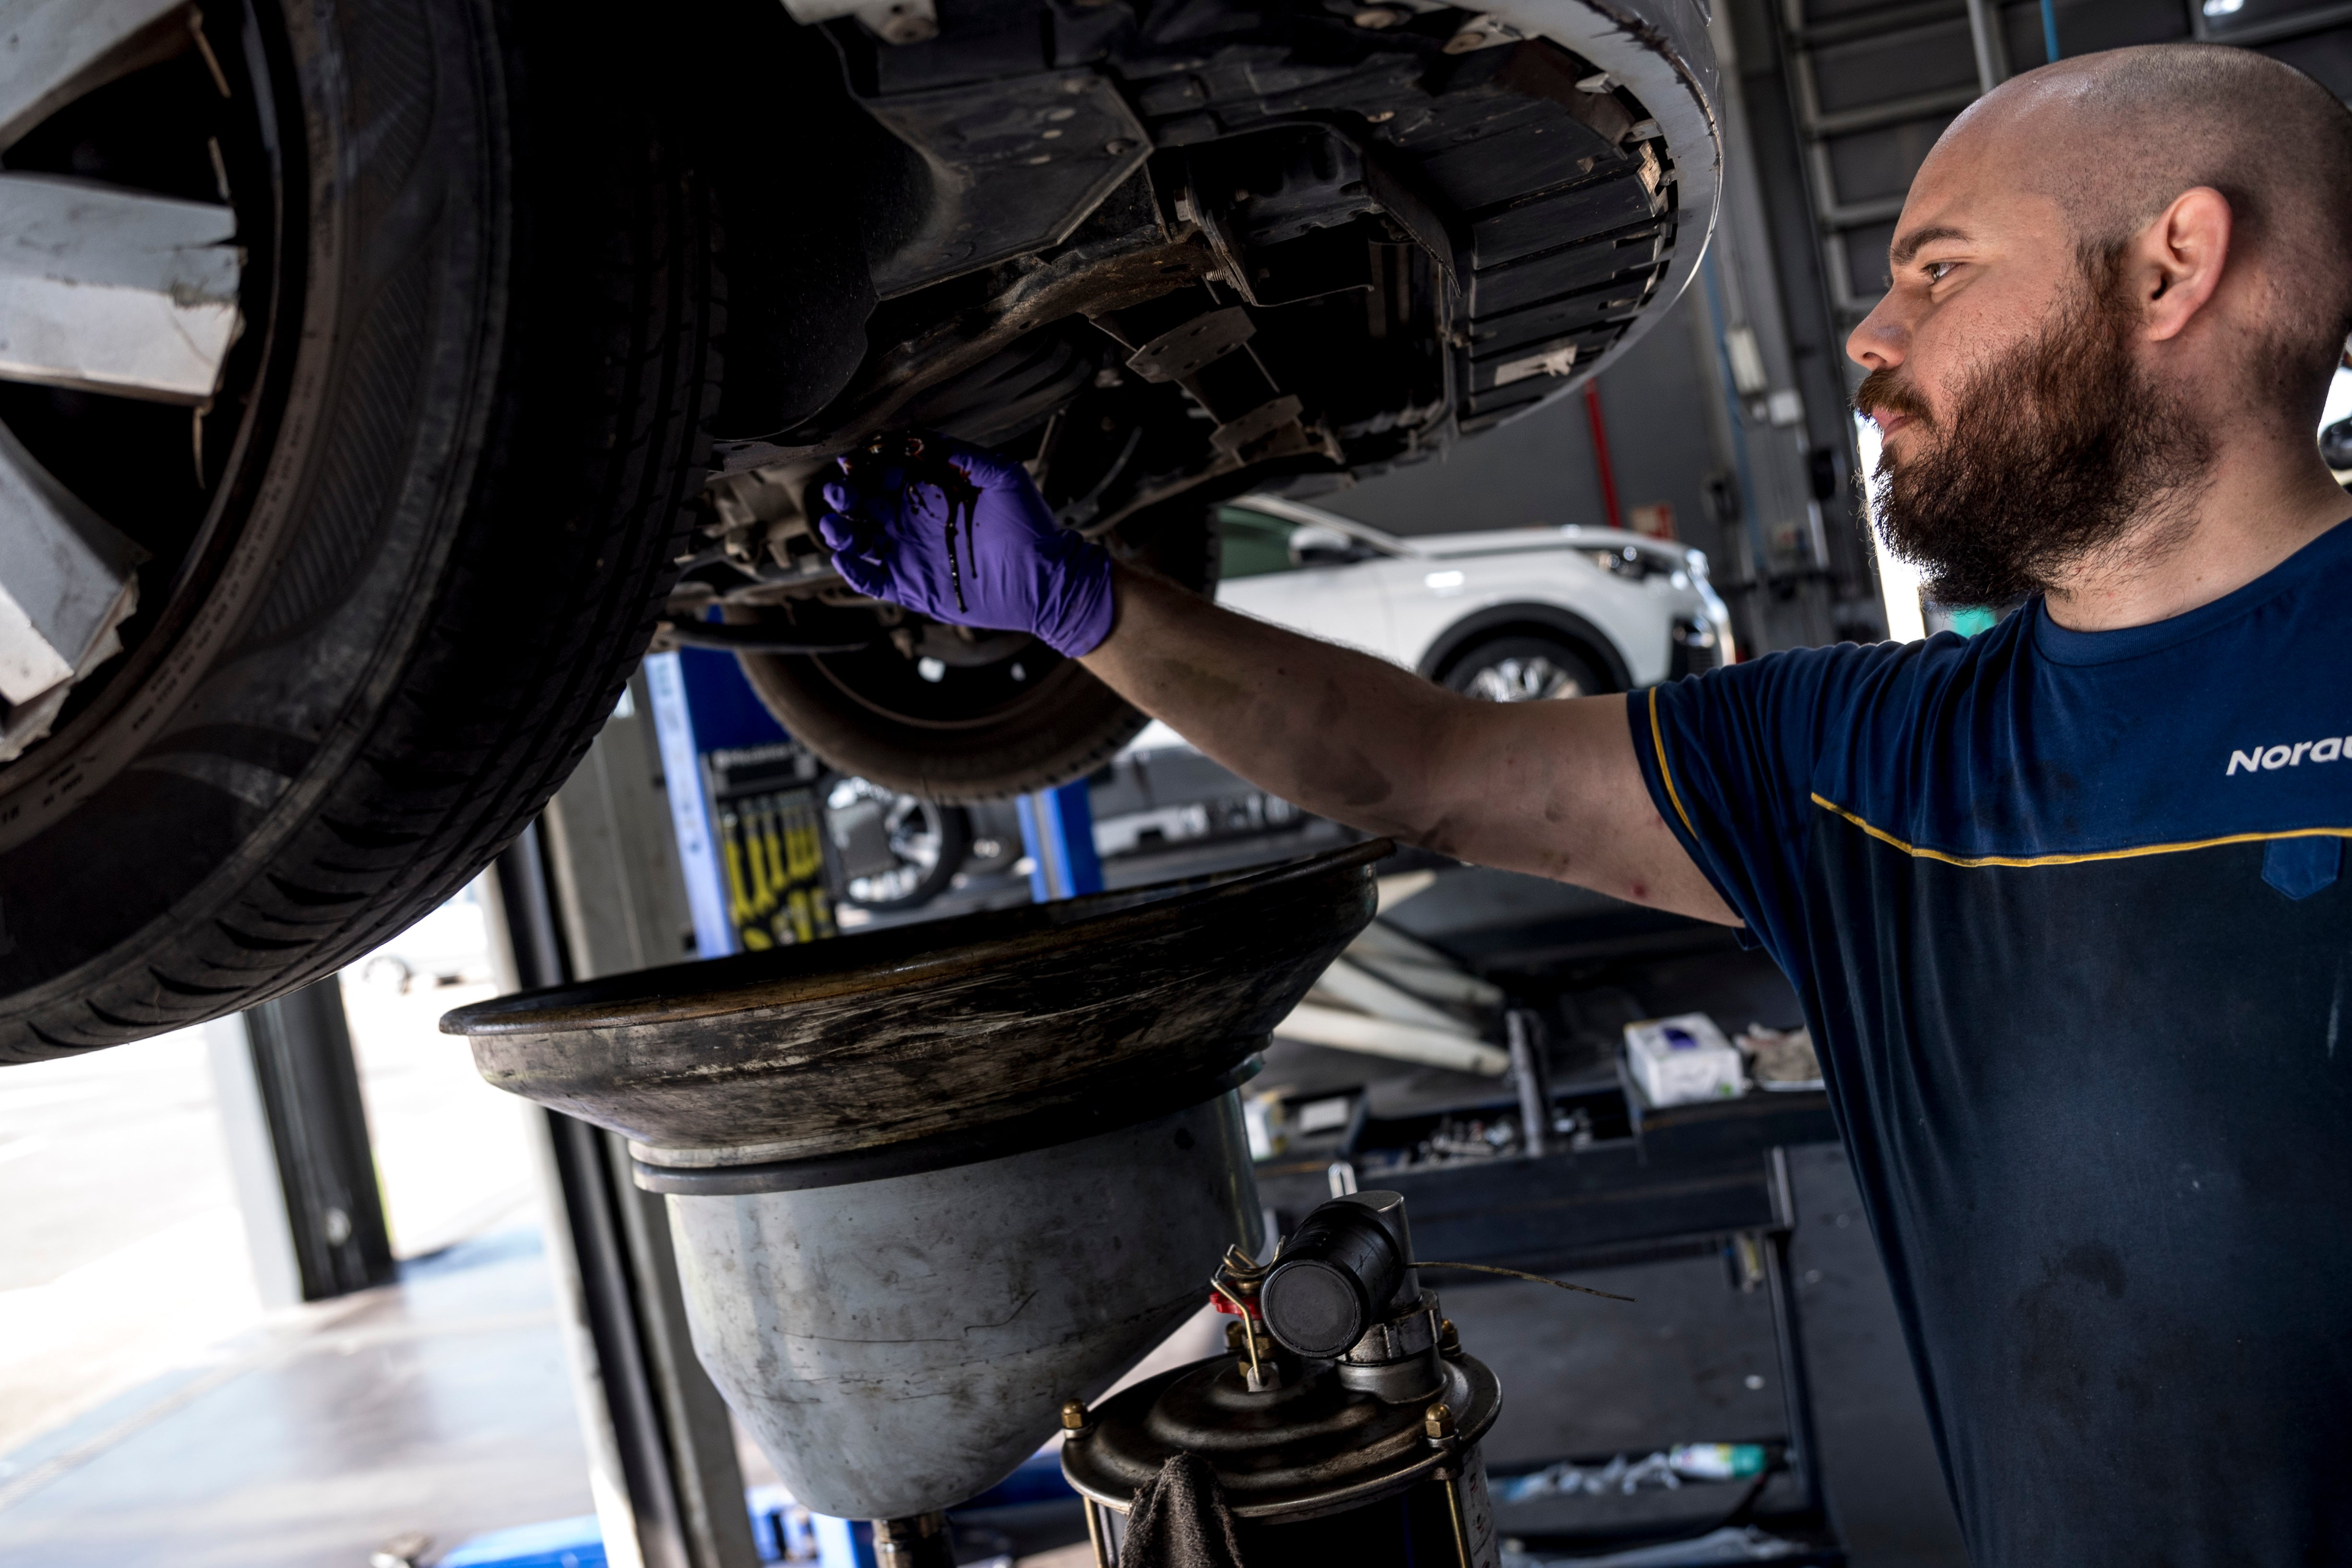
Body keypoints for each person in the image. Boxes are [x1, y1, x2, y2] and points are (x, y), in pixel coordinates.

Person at [815, 43, 2352, 1565]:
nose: (1872, 335)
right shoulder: (1871, 767)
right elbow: (1423, 771)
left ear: (2172, 270)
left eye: (1938, 270)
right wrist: (1087, 607)